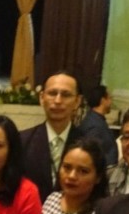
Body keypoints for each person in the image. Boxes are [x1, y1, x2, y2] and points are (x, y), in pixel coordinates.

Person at [22, 71, 85, 201]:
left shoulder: (89, 144)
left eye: (66, 95)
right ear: (41, 98)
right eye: (52, 93)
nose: (57, 101)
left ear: (77, 101)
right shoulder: (22, 141)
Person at [78, 84, 118, 167]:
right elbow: (91, 155)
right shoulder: (94, 124)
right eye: (110, 98)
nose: (111, 102)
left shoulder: (97, 120)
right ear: (103, 100)